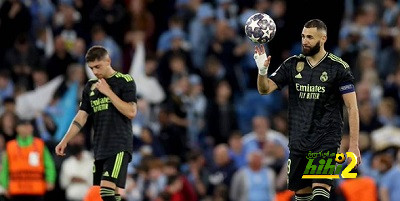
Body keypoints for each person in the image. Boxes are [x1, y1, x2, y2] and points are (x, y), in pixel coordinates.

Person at [254, 19, 361, 201]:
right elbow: (264, 89)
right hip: (298, 143)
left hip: (325, 143)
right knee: (302, 198)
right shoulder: (292, 64)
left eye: (310, 37)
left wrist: (354, 145)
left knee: (320, 195)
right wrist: (262, 70)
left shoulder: (338, 68)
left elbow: (352, 107)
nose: (305, 41)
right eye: (303, 36)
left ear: (323, 38)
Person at [55, 45, 138, 201]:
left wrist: (108, 92)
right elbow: (81, 117)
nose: (95, 72)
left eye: (98, 66)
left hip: (119, 145)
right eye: (91, 68)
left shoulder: (125, 81)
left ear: (108, 61)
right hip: (99, 146)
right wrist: (65, 140)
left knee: (106, 193)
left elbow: (131, 112)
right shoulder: (90, 86)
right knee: (111, 194)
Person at [0, 119, 56, 201]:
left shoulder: (40, 145)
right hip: (16, 191)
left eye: (28, 126)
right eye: (23, 126)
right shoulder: (10, 146)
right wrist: (4, 186)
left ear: (32, 128)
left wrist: (50, 180)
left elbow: (49, 164)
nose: (26, 128)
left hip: (36, 190)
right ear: (17, 128)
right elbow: (5, 169)